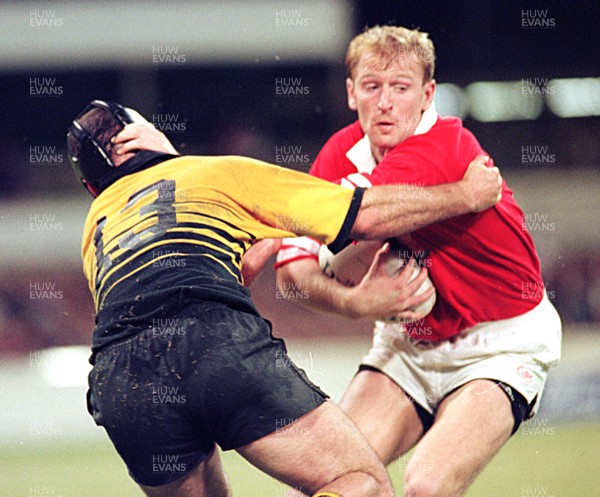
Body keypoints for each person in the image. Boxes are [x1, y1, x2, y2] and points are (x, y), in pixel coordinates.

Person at [68, 100, 501, 497]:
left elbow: (205, 259)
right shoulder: (212, 172)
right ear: (150, 135)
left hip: (121, 380)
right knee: (361, 482)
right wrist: (466, 194)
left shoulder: (95, 227)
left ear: (91, 185)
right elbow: (362, 215)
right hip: (213, 341)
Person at [274, 26, 562, 497]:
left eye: (401, 87)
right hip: (408, 345)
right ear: (351, 93)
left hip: (500, 344)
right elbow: (291, 274)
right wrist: (354, 305)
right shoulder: (340, 153)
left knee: (426, 484)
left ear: (428, 95)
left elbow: (364, 219)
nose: (385, 102)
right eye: (372, 86)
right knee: (320, 484)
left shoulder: (445, 144)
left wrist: (327, 253)